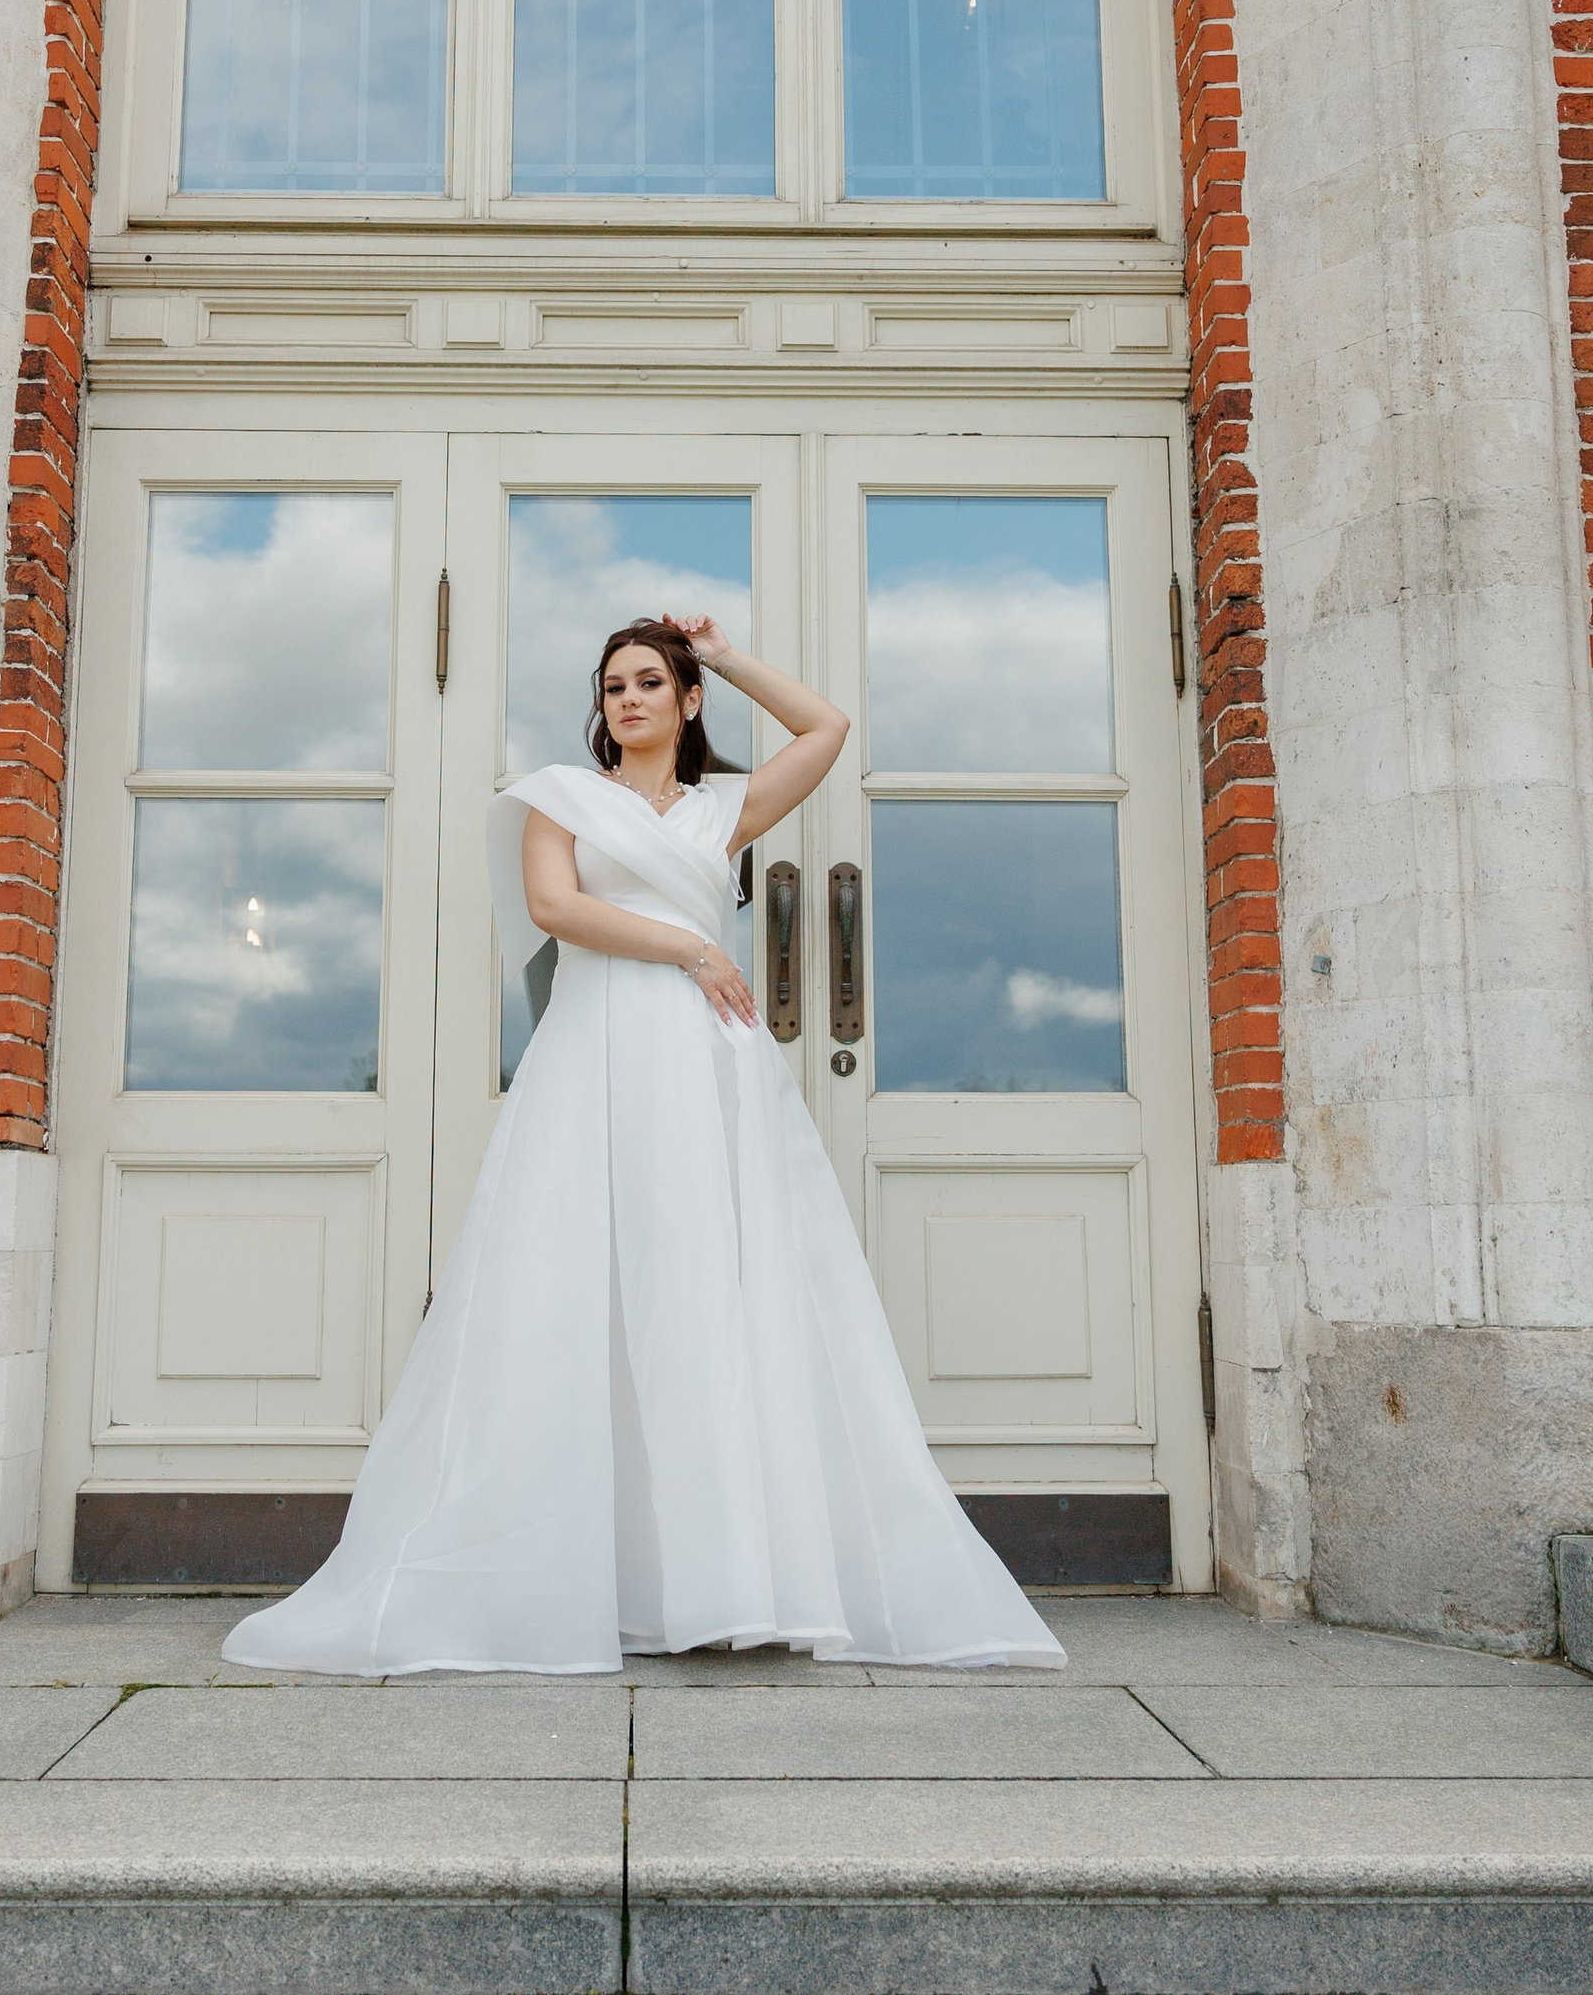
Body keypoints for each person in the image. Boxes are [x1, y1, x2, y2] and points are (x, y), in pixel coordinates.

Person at [223, 612, 1062, 1675]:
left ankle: (722, 1582)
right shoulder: (559, 798)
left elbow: (826, 727)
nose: (627, 699)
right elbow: (552, 904)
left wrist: (720, 652)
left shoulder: (724, 808)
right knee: (576, 1291)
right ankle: (579, 1578)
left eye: (651, 682)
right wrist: (687, 944)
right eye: (613, 684)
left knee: (711, 1294)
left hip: (710, 1071)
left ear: (686, 701)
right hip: (595, 1060)